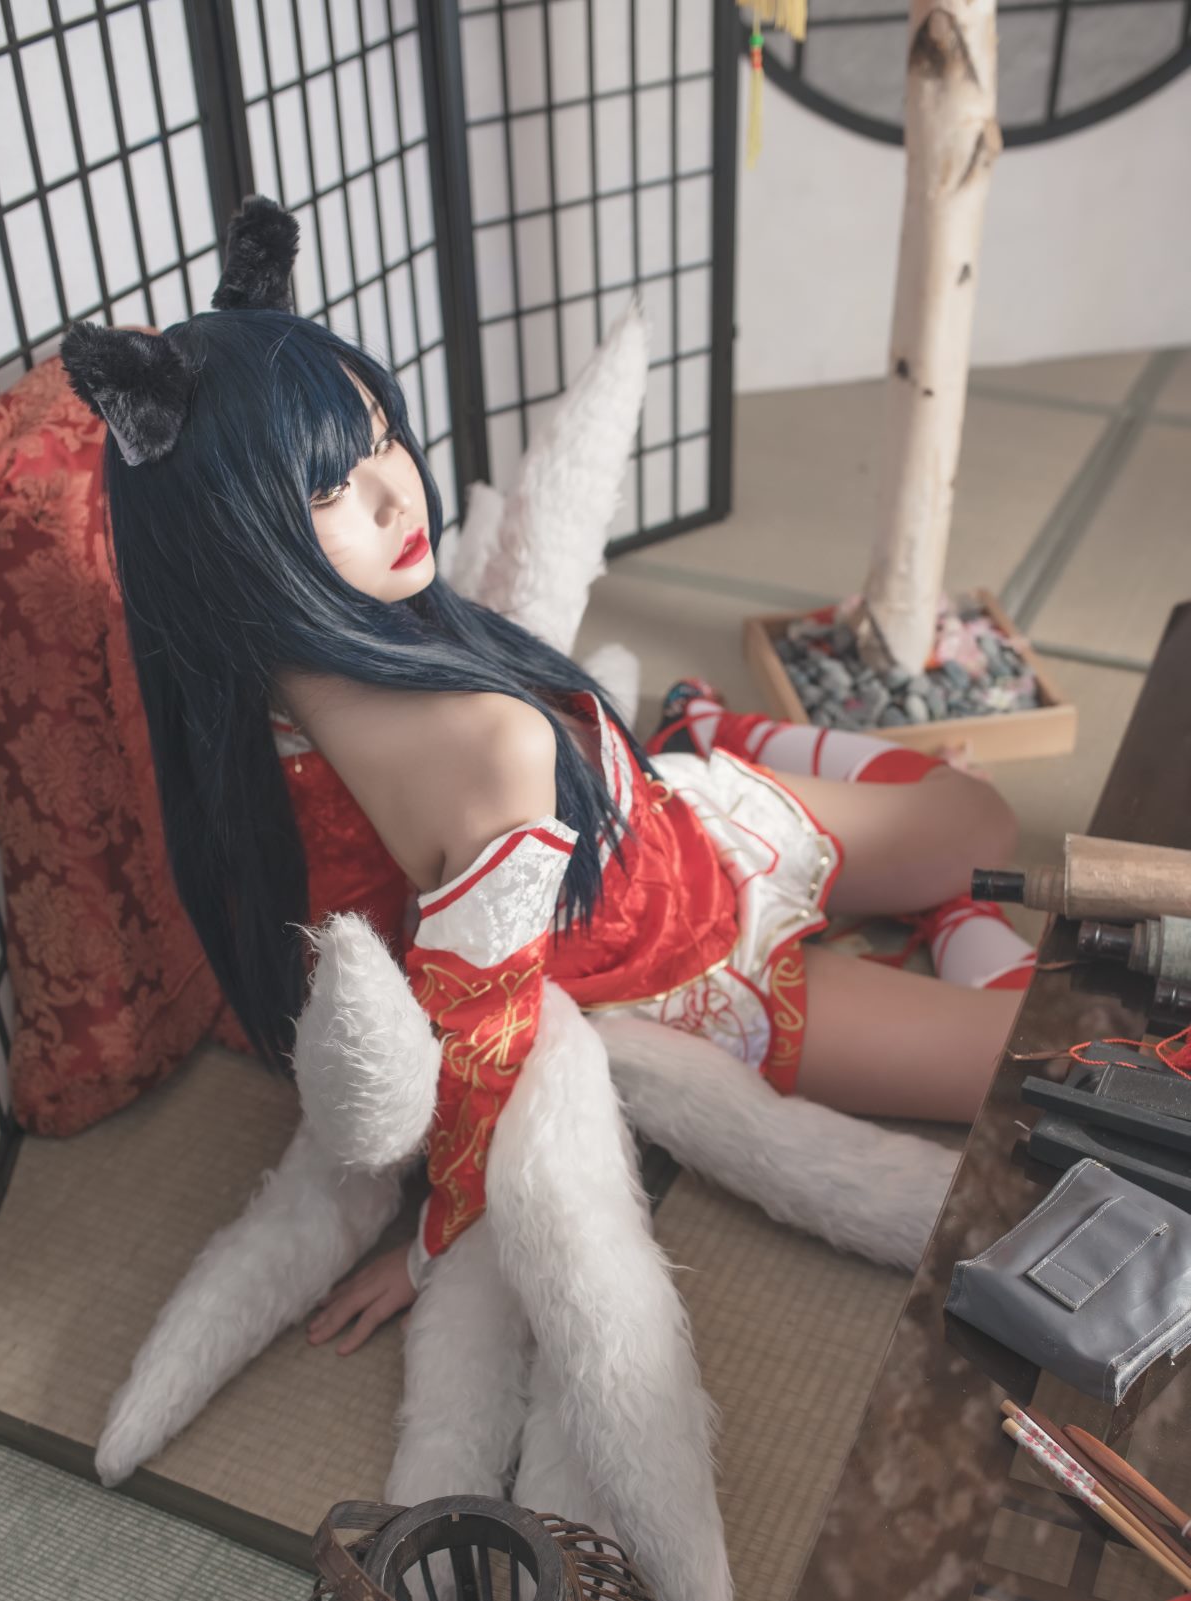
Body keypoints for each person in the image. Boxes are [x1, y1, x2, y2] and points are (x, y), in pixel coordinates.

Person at [61, 196, 1032, 1361]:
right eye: (326, 490)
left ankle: (733, 740)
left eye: (382, 438)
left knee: (986, 821)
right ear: (223, 541)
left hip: (679, 818)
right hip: (687, 971)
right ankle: (922, 887)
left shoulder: (283, 683)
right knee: (1035, 1061)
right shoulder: (473, 749)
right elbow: (489, 1039)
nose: (396, 495)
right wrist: (437, 1245)